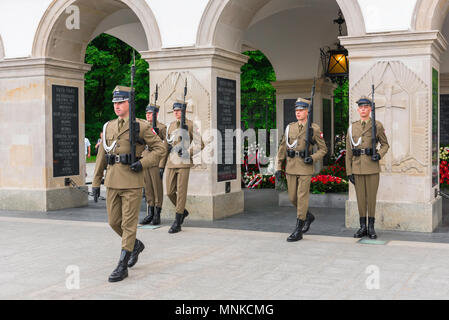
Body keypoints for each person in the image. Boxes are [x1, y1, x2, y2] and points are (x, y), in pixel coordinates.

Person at [92, 85, 166, 282]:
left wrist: (143, 163)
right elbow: (102, 154)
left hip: (132, 180)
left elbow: (160, 148)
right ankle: (135, 245)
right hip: (113, 180)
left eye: (121, 102)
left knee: (128, 223)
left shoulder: (140, 126)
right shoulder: (108, 126)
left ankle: (122, 265)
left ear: (129, 103)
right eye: (115, 103)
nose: (117, 106)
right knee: (114, 222)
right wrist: (96, 182)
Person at [275, 97, 327, 242]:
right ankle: (308, 216)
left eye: (301, 110)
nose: (298, 113)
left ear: (307, 111)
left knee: (302, 197)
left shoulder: (314, 129)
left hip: (305, 167)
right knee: (292, 198)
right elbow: (282, 148)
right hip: (291, 166)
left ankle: (298, 229)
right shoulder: (289, 127)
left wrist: (313, 157)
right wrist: (279, 167)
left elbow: (323, 149)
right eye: (296, 110)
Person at [346, 96, 389, 239]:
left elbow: (385, 144)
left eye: (366, 107)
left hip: (372, 166)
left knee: (371, 198)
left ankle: (371, 227)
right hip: (357, 167)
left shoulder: (377, 125)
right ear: (358, 109)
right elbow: (349, 151)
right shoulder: (353, 127)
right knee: (360, 198)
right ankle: (362, 226)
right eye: (361, 107)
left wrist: (379, 154)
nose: (363, 109)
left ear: (370, 109)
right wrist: (349, 171)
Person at [165, 99, 204, 234]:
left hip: (183, 162)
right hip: (171, 162)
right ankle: (182, 211)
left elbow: (200, 144)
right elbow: (166, 145)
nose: (176, 113)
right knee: (170, 192)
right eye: (175, 111)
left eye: (178, 110)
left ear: (184, 111)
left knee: (181, 192)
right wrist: (161, 164)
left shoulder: (191, 125)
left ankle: (177, 221)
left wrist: (188, 152)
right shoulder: (170, 126)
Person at [140, 104, 169, 226]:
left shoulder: (162, 127)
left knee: (157, 188)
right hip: (145, 158)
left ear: (156, 114)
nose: (147, 115)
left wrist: (162, 165)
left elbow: (165, 147)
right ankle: (150, 212)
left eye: (150, 113)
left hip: (156, 160)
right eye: (147, 113)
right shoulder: (144, 126)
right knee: (148, 188)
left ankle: (157, 213)